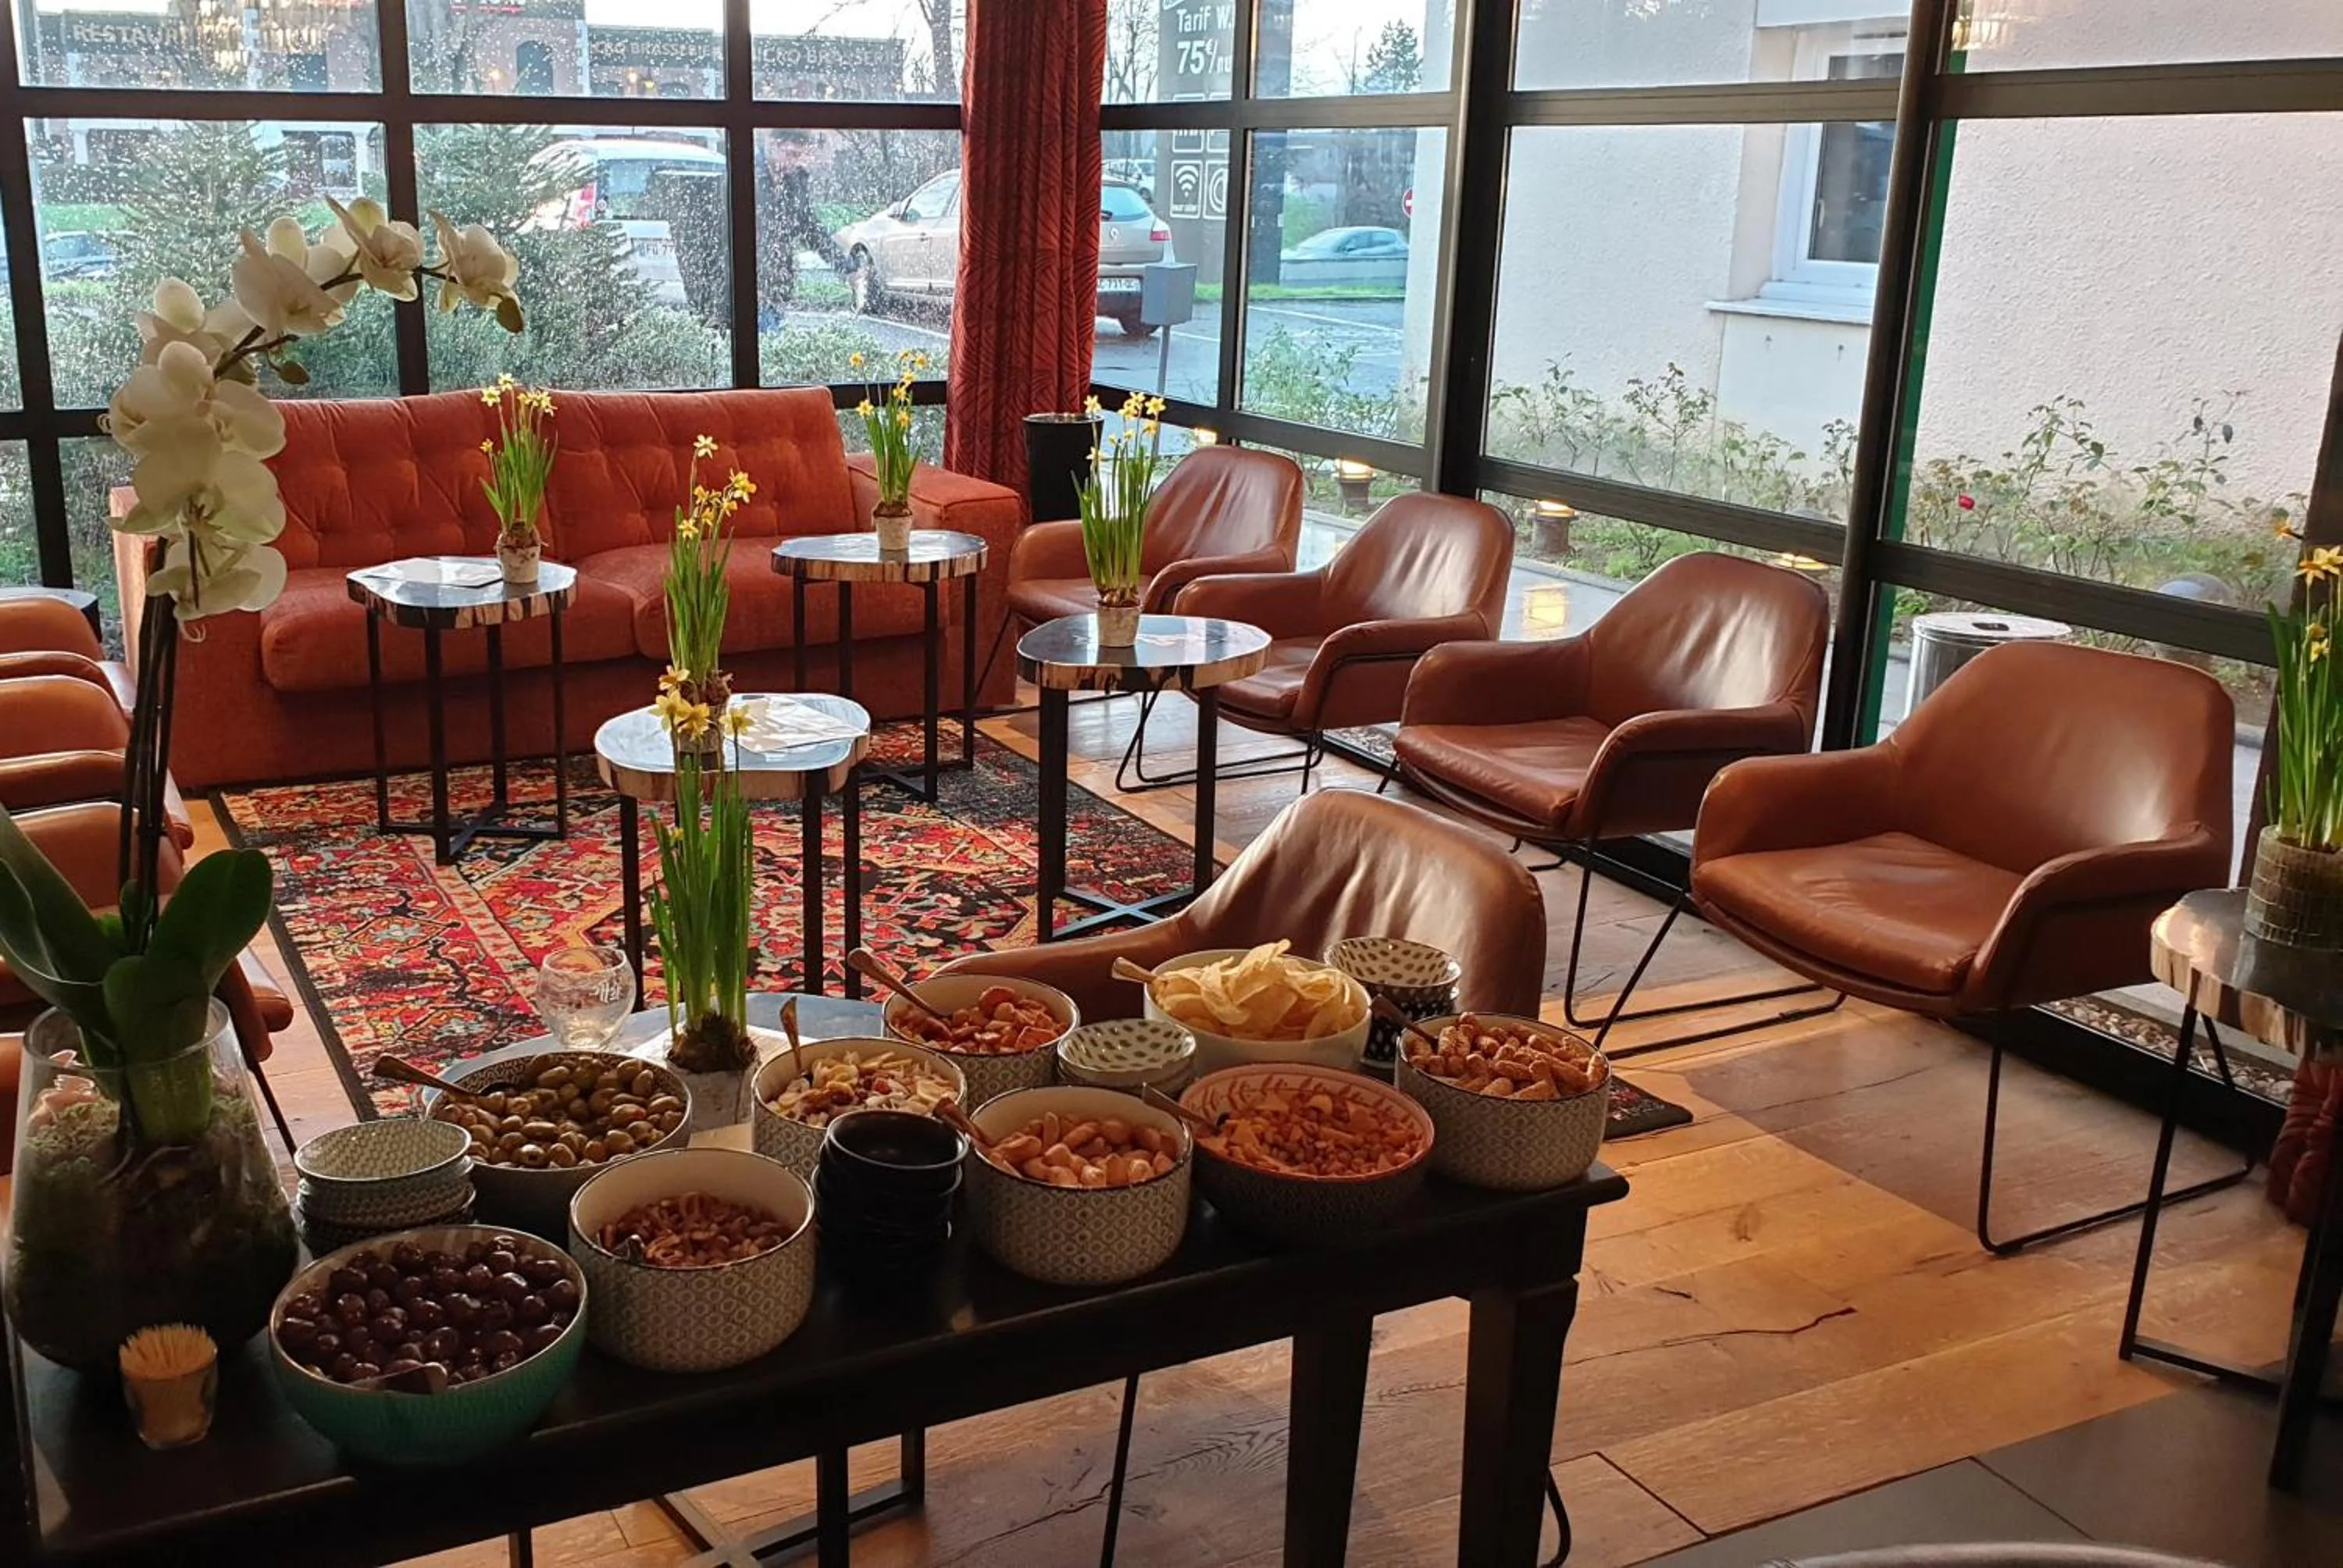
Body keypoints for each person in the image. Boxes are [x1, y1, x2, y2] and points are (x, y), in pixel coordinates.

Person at [757, 130, 851, 330]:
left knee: (771, 347)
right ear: (772, 144)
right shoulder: (749, 175)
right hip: (749, 285)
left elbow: (809, 228)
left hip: (777, 285)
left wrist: (845, 266)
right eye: (790, 154)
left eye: (798, 155)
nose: (793, 162)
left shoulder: (794, 182)